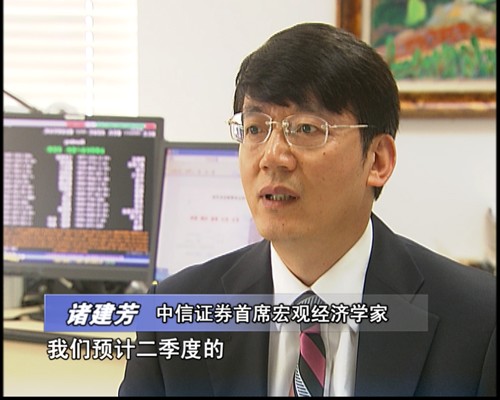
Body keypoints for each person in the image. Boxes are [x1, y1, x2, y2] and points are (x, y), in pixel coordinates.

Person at [119, 22, 496, 396]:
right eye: (255, 129)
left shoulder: (479, 322)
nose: (272, 157)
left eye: (306, 129)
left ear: (378, 160)